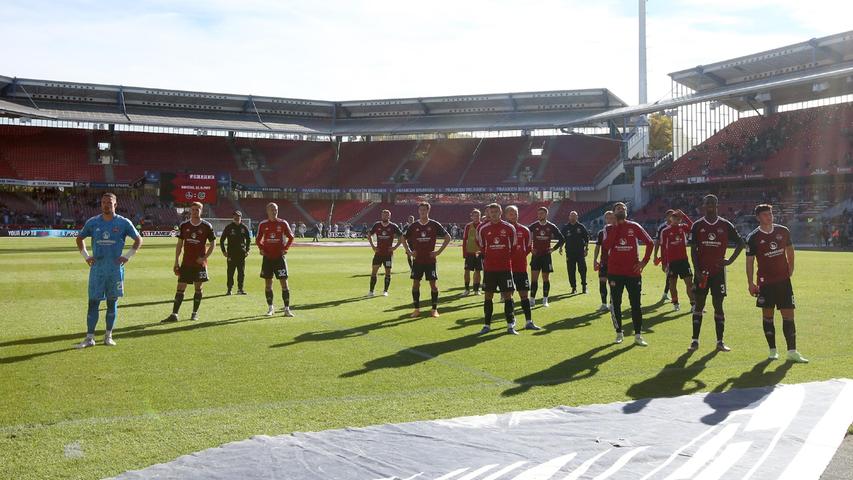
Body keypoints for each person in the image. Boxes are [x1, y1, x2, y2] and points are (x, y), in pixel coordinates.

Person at [75, 192, 142, 348]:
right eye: (104, 202)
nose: (106, 205)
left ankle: (108, 336)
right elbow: (79, 238)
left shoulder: (124, 223)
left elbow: (138, 239)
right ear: (101, 204)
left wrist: (128, 255)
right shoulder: (93, 222)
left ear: (115, 205)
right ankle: (89, 338)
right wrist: (86, 256)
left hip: (115, 270)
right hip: (97, 270)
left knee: (112, 303)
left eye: (109, 202)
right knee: (93, 303)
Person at [746, 204, 808, 363]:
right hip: (765, 283)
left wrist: (791, 268)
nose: (770, 216)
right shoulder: (753, 237)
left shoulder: (783, 231)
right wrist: (750, 283)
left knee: (789, 315)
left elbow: (790, 250)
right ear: (758, 217)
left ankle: (792, 351)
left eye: (770, 213)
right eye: (766, 214)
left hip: (783, 282)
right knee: (768, 316)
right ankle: (772, 350)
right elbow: (750, 262)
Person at [688, 194, 744, 352]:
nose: (710, 205)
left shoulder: (725, 225)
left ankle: (720, 342)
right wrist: (697, 271)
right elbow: (692, 250)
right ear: (703, 205)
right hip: (702, 273)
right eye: (708, 203)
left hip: (718, 273)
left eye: (713, 202)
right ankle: (694, 340)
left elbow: (741, 243)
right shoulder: (697, 225)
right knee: (699, 305)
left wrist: (730, 260)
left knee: (718, 306)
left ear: (717, 205)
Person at [602, 202, 653, 346]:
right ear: (613, 213)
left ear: (627, 211)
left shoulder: (634, 226)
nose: (621, 209)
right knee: (615, 304)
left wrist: (644, 262)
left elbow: (650, 242)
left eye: (623, 208)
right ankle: (619, 333)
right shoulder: (608, 229)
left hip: (633, 273)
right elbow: (606, 246)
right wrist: (617, 227)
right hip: (615, 273)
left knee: (636, 304)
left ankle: (638, 335)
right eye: (618, 208)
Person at [163, 202, 216, 323]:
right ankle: (174, 314)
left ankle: (194, 313)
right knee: (180, 287)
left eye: (197, 209)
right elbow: (179, 244)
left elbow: (213, 243)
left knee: (198, 288)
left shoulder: (207, 226)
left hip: (199, 264)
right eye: (193, 209)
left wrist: (204, 257)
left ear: (201, 211)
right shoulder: (184, 225)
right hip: (186, 263)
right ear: (190, 211)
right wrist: (176, 261)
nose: (195, 211)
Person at [403, 203, 451, 318]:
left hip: (430, 261)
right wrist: (409, 252)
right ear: (418, 211)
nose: (422, 212)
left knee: (433, 285)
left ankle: (434, 309)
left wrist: (438, 252)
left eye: (424, 210)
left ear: (428, 210)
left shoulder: (434, 224)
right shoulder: (414, 226)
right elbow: (402, 238)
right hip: (418, 261)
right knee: (415, 284)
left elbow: (448, 237)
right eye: (420, 210)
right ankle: (416, 309)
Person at [476, 203, 518, 334]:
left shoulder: (509, 228)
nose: (493, 214)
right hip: (489, 269)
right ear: (488, 213)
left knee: (507, 296)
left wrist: (505, 258)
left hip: (505, 268)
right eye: (491, 212)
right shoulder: (482, 229)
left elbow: (514, 246)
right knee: (488, 296)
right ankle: (487, 325)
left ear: (500, 212)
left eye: (496, 211)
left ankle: (510, 324)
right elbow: (481, 246)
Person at [256, 202, 295, 317]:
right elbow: (258, 240)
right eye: (272, 210)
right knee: (268, 284)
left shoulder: (283, 223)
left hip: (279, 258)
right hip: (267, 258)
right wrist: (261, 248)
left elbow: (291, 237)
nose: (274, 212)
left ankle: (287, 309)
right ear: (267, 211)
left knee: (284, 284)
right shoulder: (262, 224)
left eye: (276, 210)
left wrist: (286, 248)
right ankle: (270, 308)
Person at [506, 205, 539, 330]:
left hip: (521, 268)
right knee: (509, 296)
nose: (513, 215)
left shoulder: (525, 230)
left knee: (524, 295)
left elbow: (528, 248)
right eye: (510, 213)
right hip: (507, 269)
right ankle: (511, 322)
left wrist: (519, 256)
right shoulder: (504, 229)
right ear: (506, 215)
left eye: (515, 213)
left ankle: (528, 322)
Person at [658, 209, 695, 311]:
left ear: (680, 220)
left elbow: (693, 227)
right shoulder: (665, 231)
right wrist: (664, 263)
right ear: (670, 218)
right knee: (672, 284)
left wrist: (685, 216)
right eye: (673, 217)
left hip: (683, 261)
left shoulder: (683, 228)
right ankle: (675, 303)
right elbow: (662, 248)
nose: (675, 220)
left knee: (689, 283)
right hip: (672, 262)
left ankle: (693, 304)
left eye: (678, 218)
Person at [527, 206, 565, 307]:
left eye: (542, 213)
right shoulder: (533, 226)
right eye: (539, 213)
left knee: (545, 278)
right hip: (536, 256)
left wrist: (553, 249)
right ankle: (532, 299)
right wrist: (530, 248)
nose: (540, 215)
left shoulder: (551, 226)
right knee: (534, 279)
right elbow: (525, 236)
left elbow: (562, 239)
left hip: (546, 256)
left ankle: (545, 300)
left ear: (546, 214)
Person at [367, 209, 403, 296]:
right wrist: (373, 246)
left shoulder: (393, 226)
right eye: (383, 215)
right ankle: (371, 291)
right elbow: (369, 235)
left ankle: (385, 291)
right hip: (378, 253)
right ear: (381, 216)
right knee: (374, 271)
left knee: (388, 272)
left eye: (386, 215)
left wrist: (394, 247)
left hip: (388, 254)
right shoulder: (377, 225)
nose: (385, 216)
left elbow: (402, 237)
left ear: (389, 216)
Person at [220, 210, 251, 295]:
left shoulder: (244, 227)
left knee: (241, 272)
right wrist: (224, 251)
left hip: (241, 254)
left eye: (238, 216)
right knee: (230, 272)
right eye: (235, 216)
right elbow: (222, 240)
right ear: (233, 217)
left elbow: (248, 239)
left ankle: (240, 289)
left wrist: (247, 250)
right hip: (231, 254)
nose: (237, 218)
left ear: (241, 217)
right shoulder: (229, 227)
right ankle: (229, 289)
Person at [560, 211, 590, 294]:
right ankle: (573, 287)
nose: (573, 217)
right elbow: (562, 239)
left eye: (574, 216)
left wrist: (586, 249)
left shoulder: (581, 227)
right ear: (569, 217)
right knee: (571, 271)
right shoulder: (566, 227)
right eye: (571, 216)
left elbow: (586, 238)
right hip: (569, 253)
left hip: (580, 252)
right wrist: (561, 247)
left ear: (577, 217)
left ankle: (584, 286)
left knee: (583, 269)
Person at [592, 210, 615, 312]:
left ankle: (612, 304)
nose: (610, 220)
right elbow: (597, 247)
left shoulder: (617, 230)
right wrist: (595, 260)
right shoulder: (602, 232)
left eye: (611, 218)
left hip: (614, 263)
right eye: (608, 218)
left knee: (613, 284)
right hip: (604, 262)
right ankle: (603, 304)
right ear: (605, 219)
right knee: (602, 282)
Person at [653, 210, 675, 302]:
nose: (671, 218)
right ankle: (666, 294)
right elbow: (657, 242)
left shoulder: (677, 226)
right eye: (669, 216)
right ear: (666, 217)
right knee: (669, 274)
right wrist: (655, 255)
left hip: (676, 254)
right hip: (665, 255)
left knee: (671, 275)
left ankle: (666, 294)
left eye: (672, 216)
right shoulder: (662, 227)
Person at [461, 209, 483, 295]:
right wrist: (464, 252)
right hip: (469, 252)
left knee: (478, 271)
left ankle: (476, 290)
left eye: (478, 215)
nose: (476, 217)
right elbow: (464, 239)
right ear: (471, 217)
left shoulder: (482, 225)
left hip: (479, 253)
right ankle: (467, 289)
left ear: (480, 216)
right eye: (474, 215)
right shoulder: (468, 226)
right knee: (467, 270)